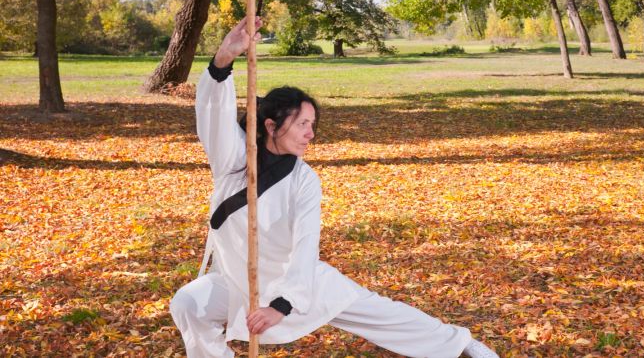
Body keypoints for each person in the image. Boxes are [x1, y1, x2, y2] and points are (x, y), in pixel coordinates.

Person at [170, 18, 498, 358]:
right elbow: (214, 115)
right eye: (302, 124)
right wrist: (225, 56)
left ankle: (461, 343)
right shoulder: (235, 158)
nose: (311, 133)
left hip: (299, 282)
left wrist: (282, 305)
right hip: (239, 280)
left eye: (313, 124)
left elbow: (305, 245)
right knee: (189, 304)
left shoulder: (304, 180)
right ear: (271, 126)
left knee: (380, 313)